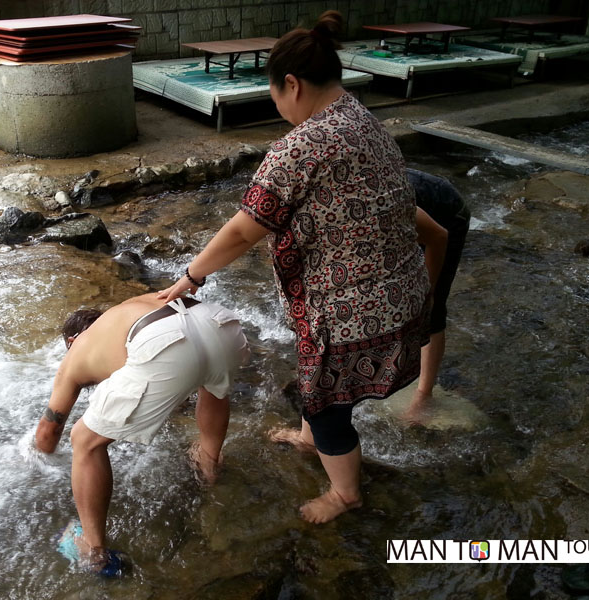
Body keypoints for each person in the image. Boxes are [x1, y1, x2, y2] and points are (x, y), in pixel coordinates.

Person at [159, 10, 447, 525]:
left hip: (354, 311)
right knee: (322, 386)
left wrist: (192, 275)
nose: (278, 109)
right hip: (399, 294)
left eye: (274, 96)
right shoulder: (362, 118)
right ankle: (311, 439)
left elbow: (245, 229)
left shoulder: (302, 146)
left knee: (326, 402)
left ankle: (345, 494)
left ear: (291, 84)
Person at [34, 293, 248, 575]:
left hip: (165, 341)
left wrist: (32, 457)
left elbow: (48, 435)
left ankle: (92, 548)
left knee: (84, 441)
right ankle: (208, 462)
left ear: (71, 341)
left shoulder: (78, 350)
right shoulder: (126, 311)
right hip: (220, 322)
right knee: (211, 381)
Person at [404, 168, 471, 421]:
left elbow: (439, 237)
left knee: (431, 309)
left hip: (446, 212)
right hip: (416, 204)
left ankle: (424, 395)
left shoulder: (381, 202)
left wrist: (427, 292)